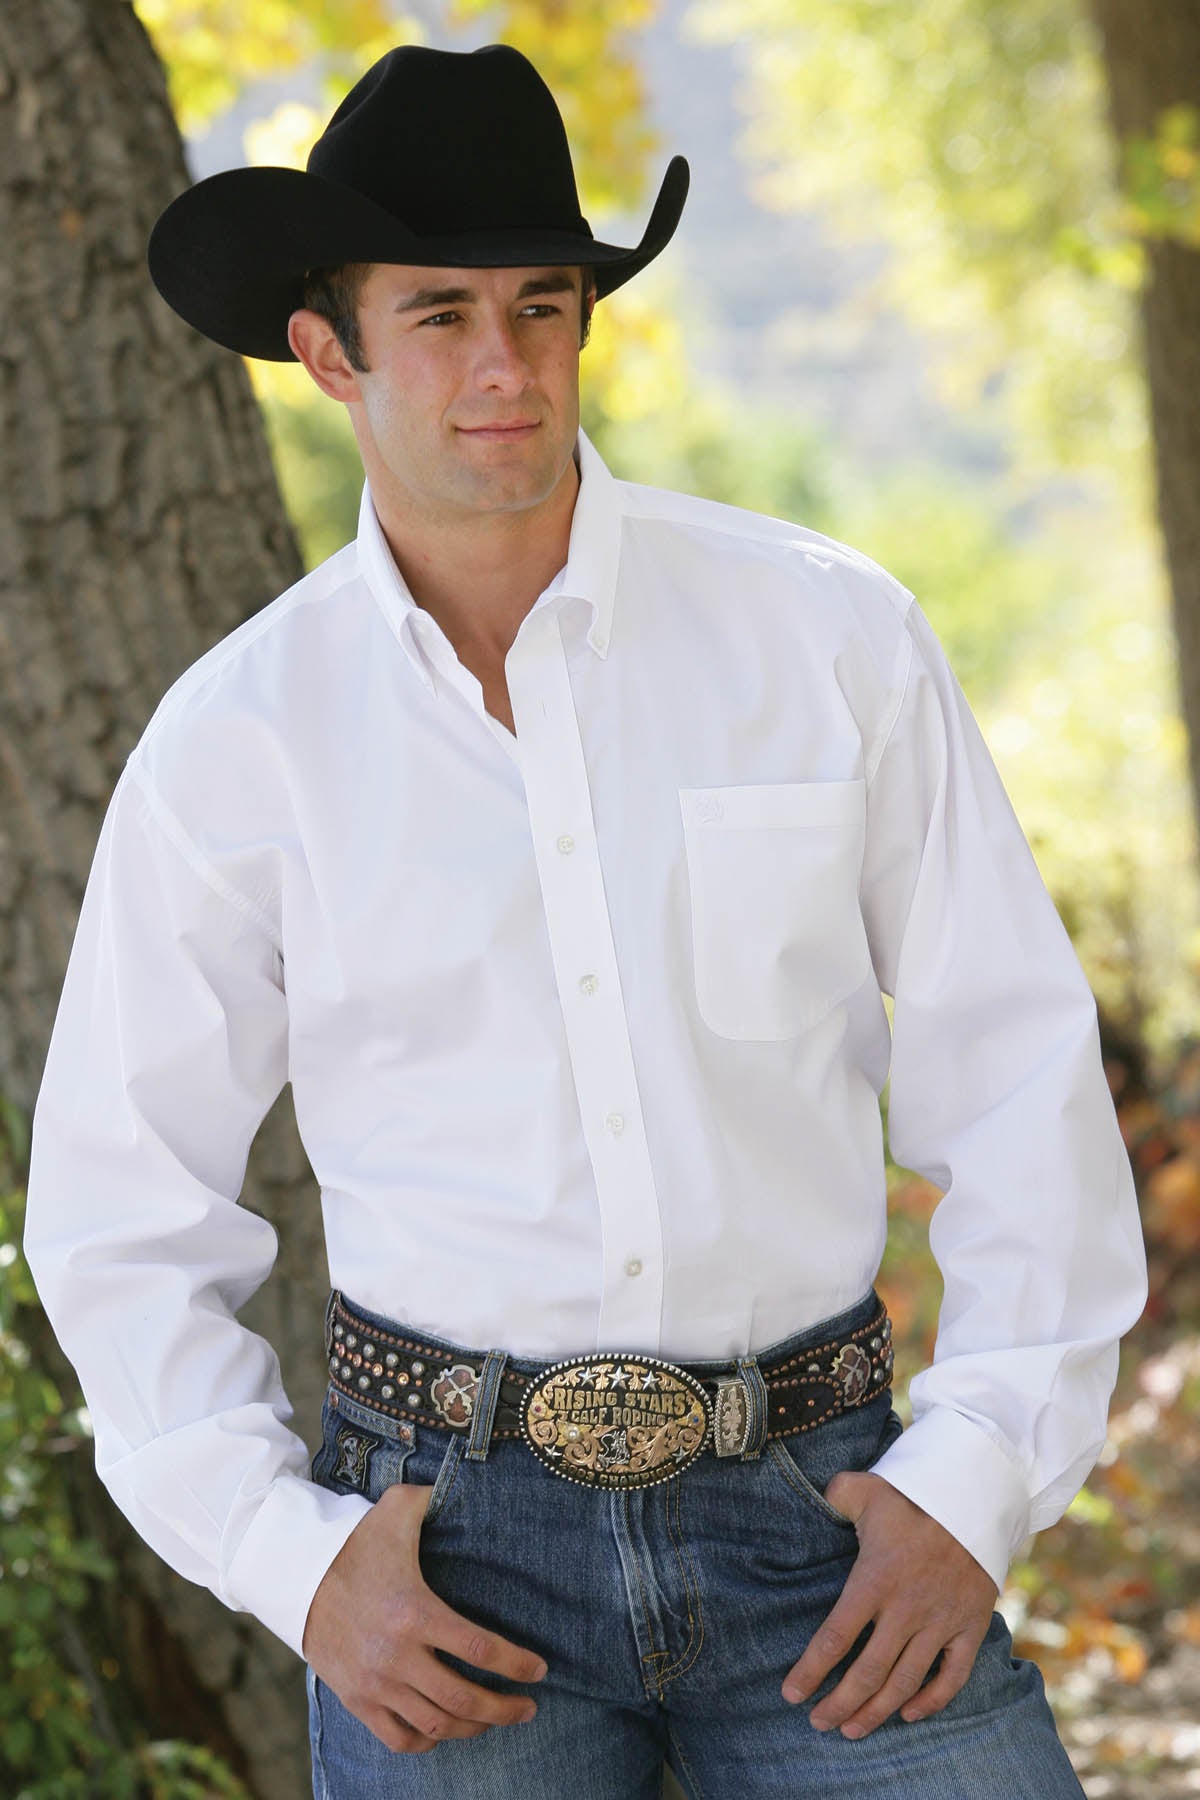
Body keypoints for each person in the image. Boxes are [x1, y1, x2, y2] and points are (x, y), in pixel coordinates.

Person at [23, 39, 1148, 1800]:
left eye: (541, 307)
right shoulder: (240, 741)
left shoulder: (826, 639)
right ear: (329, 353)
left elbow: (1015, 1076)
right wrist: (288, 1559)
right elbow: (120, 1204)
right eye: (441, 314)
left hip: (827, 1518)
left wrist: (975, 1480)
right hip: (447, 1559)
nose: (505, 365)